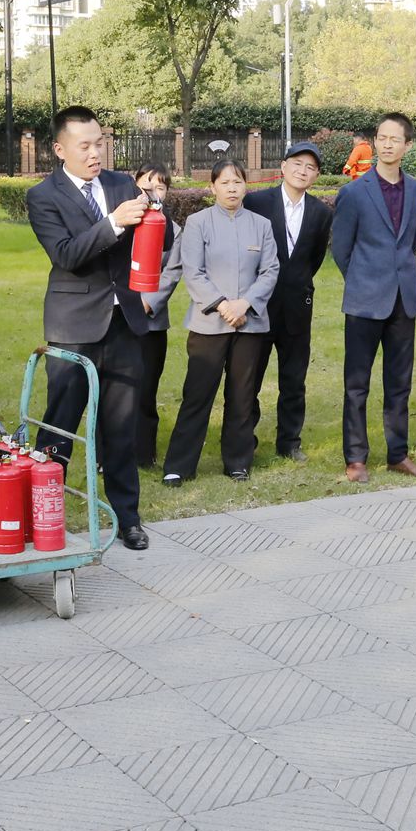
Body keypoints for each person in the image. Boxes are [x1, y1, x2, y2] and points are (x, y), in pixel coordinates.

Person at [25, 105, 153, 551]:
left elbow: (151, 240)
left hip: (124, 322)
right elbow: (66, 254)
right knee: (60, 425)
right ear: (60, 149)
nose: (95, 153)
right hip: (74, 325)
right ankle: (41, 515)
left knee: (120, 426)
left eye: (99, 143)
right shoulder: (43, 196)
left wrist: (154, 214)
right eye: (85, 146)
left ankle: (128, 518)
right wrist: (115, 222)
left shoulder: (121, 184)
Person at [162, 160, 281, 484]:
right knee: (197, 394)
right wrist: (223, 305)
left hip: (249, 323)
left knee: (242, 395)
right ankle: (179, 465)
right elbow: (193, 271)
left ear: (246, 186)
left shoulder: (261, 225)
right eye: (225, 182)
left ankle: (238, 461)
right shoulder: (198, 223)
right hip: (209, 324)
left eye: (237, 182)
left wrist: (245, 303)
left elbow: (270, 270)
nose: (231, 188)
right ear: (213, 186)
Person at [332, 112, 416, 482]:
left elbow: (411, 241)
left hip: (404, 299)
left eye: (395, 139)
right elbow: (341, 248)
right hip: (364, 299)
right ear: (375, 142)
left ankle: (397, 454)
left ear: (408, 145)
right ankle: (356, 458)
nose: (387, 145)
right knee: (357, 384)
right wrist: (364, 278)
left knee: (399, 382)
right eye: (382, 138)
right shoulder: (354, 192)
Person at [243, 140, 333, 461]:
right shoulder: (256, 202)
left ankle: (289, 442)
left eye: (310, 167)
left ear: (316, 175)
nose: (302, 171)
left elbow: (314, 258)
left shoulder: (321, 213)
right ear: (283, 167)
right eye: (297, 164)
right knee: (249, 378)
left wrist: (298, 282)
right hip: (258, 305)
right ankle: (244, 440)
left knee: (294, 380)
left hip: (297, 307)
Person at [133, 163, 180, 469]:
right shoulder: (122, 219)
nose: (152, 192)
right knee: (113, 389)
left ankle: (143, 453)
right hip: (115, 317)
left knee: (146, 388)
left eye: (160, 187)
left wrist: (146, 305)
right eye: (146, 186)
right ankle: (106, 452)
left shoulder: (174, 230)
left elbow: (172, 272)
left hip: (151, 322)